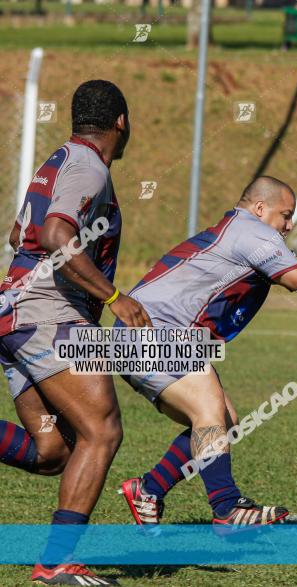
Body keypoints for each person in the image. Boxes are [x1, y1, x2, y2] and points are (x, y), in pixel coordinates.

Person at [118, 176, 297, 532]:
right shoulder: (253, 233)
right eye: (285, 216)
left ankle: (148, 489)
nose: (290, 225)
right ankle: (227, 508)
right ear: (260, 209)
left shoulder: (247, 233)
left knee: (221, 419)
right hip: (155, 332)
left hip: (146, 334)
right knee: (209, 411)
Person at [0, 80, 150, 586]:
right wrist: (114, 297)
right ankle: (57, 563)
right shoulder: (89, 165)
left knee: (54, 452)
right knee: (102, 430)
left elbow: (21, 234)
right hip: (48, 314)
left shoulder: (57, 160)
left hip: (15, 313)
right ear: (121, 123)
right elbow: (57, 235)